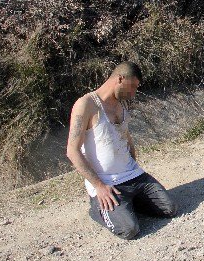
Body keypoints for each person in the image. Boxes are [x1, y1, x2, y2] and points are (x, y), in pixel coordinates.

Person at [66, 61, 177, 239]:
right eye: (132, 86)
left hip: (133, 176)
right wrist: (99, 186)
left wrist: (135, 166)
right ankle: (99, 209)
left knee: (169, 209)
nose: (133, 93)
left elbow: (126, 137)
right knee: (129, 230)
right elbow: (72, 151)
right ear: (119, 79)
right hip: (107, 183)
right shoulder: (86, 104)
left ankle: (127, 204)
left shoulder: (122, 104)